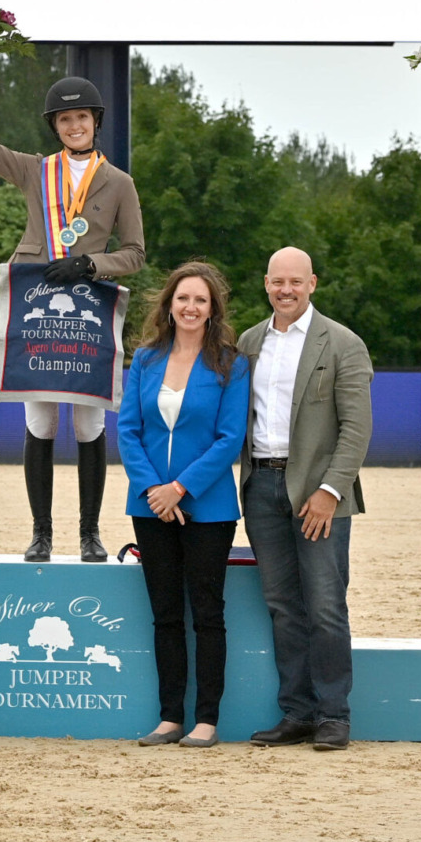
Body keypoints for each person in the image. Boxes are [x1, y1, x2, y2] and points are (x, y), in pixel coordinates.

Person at [0, 60, 146, 562]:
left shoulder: (120, 183)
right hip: (37, 306)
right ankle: (40, 533)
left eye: (82, 118)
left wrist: (90, 263)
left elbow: (135, 253)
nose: (74, 126)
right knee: (39, 423)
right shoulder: (34, 170)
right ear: (55, 126)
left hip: (87, 305)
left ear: (96, 122)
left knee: (90, 427)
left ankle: (90, 533)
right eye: (65, 121)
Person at [236, 247, 373, 751]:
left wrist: (330, 491)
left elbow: (357, 428)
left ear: (312, 283)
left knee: (326, 607)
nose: (285, 290)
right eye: (277, 282)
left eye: (295, 281)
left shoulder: (343, 344)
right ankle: (297, 713)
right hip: (262, 489)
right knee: (282, 608)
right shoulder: (249, 342)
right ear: (266, 284)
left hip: (320, 496)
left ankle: (334, 715)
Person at [118, 261, 251, 749]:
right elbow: (129, 430)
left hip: (208, 508)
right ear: (169, 305)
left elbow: (229, 437)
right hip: (149, 504)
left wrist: (181, 488)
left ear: (212, 308)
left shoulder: (232, 364)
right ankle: (169, 718)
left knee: (207, 613)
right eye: (183, 298)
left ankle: (206, 721)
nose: (190, 307)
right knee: (166, 614)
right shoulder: (146, 360)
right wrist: (156, 489)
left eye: (200, 299)